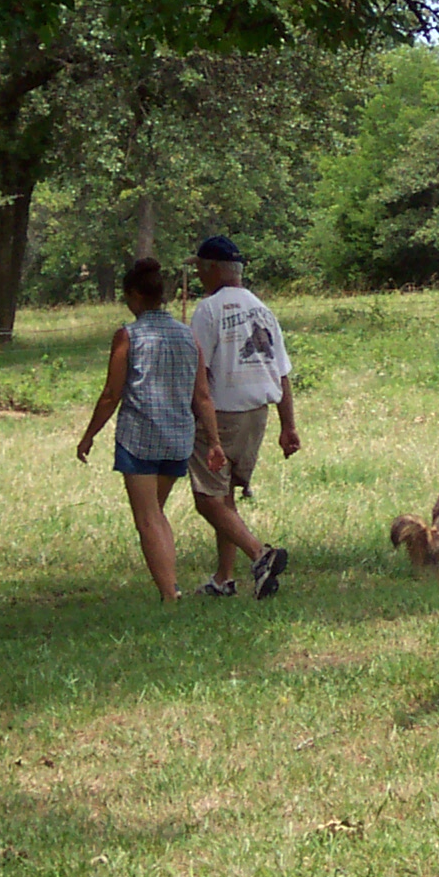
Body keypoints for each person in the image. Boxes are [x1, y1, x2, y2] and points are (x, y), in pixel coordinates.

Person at [76, 258, 225, 603]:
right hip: (178, 438)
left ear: (134, 295)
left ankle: (169, 594)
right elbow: (202, 395)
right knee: (156, 514)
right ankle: (170, 586)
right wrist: (214, 440)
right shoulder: (189, 336)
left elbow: (111, 393)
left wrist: (89, 435)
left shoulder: (128, 335)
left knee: (147, 519)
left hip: (139, 438)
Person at [185, 235, 301, 599]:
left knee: (208, 499)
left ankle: (259, 554)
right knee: (225, 497)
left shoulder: (209, 310)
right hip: (258, 413)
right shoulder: (262, 309)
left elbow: (197, 370)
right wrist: (288, 425)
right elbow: (281, 371)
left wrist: (202, 422)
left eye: (201, 268)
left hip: (222, 413)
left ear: (213, 269)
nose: (199, 275)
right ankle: (223, 579)